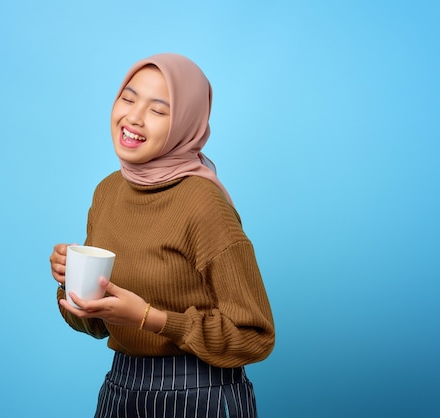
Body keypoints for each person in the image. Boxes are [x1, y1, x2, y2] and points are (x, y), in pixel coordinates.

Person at [49, 53, 275, 418]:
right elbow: (95, 326)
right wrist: (70, 286)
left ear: (185, 124)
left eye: (158, 110)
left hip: (201, 393)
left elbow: (254, 335)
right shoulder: (107, 191)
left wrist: (151, 318)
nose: (134, 117)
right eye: (128, 98)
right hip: (121, 389)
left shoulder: (203, 204)